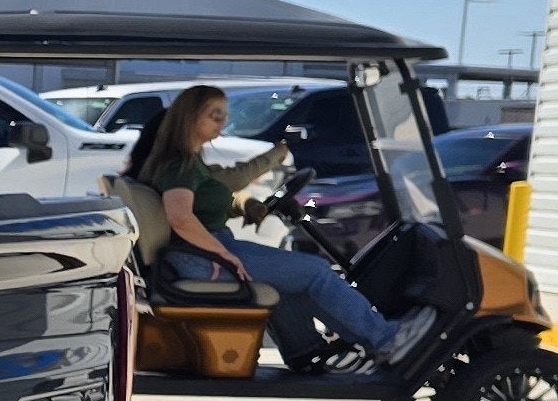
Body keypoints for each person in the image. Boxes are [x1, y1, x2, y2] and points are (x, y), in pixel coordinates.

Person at [130, 82, 436, 372]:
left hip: (200, 252)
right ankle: (385, 338)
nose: (222, 121)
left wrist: (246, 207)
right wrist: (225, 255)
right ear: (190, 116)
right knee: (316, 271)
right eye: (215, 114)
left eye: (225, 114)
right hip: (201, 258)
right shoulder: (178, 165)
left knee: (297, 274)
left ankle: (319, 347)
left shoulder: (188, 162)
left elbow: (210, 198)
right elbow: (181, 218)